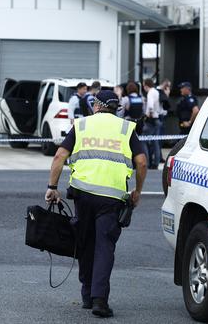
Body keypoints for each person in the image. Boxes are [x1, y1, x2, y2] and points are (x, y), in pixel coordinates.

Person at [45, 90, 147, 318]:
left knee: (85, 243)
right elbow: (141, 162)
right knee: (104, 247)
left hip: (82, 194)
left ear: (96, 106)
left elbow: (59, 156)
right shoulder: (126, 128)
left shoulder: (81, 125)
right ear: (116, 108)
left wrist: (52, 187)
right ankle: (99, 300)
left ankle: (86, 295)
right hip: (111, 199)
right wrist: (137, 191)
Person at [142, 79, 162, 169]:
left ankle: (147, 162)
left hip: (151, 119)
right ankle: (156, 162)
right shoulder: (156, 92)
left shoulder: (150, 92)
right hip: (157, 118)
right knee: (155, 141)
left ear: (146, 85)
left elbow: (150, 105)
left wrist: (149, 115)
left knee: (143, 140)